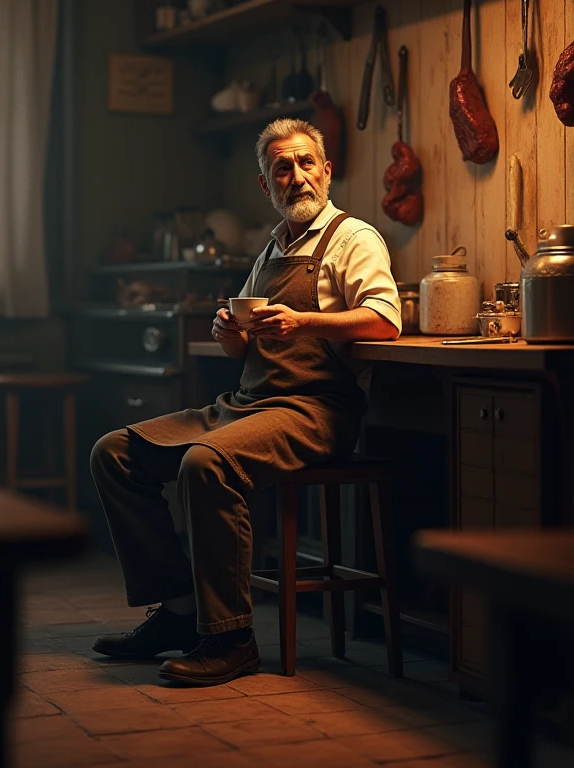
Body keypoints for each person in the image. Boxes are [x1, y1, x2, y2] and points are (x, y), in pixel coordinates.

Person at [90, 118, 401, 687]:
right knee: (114, 453)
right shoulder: (271, 248)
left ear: (327, 171)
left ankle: (230, 637)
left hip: (315, 409)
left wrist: (303, 320)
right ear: (266, 185)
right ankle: (182, 611)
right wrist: (231, 334)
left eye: (307, 163)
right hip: (249, 403)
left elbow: (385, 320)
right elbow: (245, 352)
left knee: (206, 462)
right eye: (283, 167)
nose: (297, 176)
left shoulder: (354, 238)